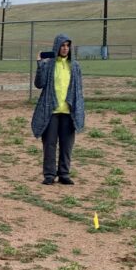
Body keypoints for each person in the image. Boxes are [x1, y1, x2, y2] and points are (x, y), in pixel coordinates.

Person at [31, 34, 85, 185]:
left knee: (67, 145)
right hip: (51, 111)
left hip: (68, 111)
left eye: (67, 46)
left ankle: (64, 174)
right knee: (49, 144)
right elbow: (39, 84)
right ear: (57, 46)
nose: (65, 48)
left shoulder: (74, 66)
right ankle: (49, 175)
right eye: (62, 45)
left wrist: (79, 108)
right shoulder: (48, 65)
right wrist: (40, 65)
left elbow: (78, 90)